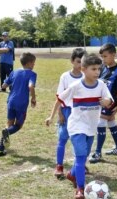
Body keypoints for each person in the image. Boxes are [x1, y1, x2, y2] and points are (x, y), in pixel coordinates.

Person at [48, 53, 112, 199]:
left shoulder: (101, 85)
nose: (97, 72)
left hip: (91, 127)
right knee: (81, 157)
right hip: (76, 126)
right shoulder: (75, 86)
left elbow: (109, 98)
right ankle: (80, 189)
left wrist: (106, 102)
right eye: (93, 69)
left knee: (84, 155)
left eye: (99, 69)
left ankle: (72, 174)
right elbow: (59, 99)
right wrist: (52, 116)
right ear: (83, 69)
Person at [45, 48, 86, 179]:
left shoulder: (86, 77)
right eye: (78, 62)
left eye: (83, 62)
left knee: (78, 141)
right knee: (62, 139)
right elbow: (59, 97)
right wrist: (59, 114)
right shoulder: (65, 77)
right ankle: (59, 166)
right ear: (72, 61)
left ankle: (78, 166)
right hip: (66, 111)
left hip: (79, 113)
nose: (80, 65)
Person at [89, 43, 117, 163]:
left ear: (113, 54)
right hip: (102, 101)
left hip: (111, 102)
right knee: (111, 122)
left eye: (105, 56)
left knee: (101, 122)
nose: (103, 59)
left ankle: (98, 152)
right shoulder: (103, 69)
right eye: (102, 57)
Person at [0, 52, 37, 157]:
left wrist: (7, 84)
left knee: (9, 123)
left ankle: (0, 149)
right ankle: (7, 132)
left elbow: (4, 85)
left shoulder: (14, 72)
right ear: (29, 63)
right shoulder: (32, 74)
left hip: (11, 101)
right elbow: (31, 86)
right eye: (33, 63)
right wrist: (33, 98)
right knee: (18, 125)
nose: (34, 65)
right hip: (21, 103)